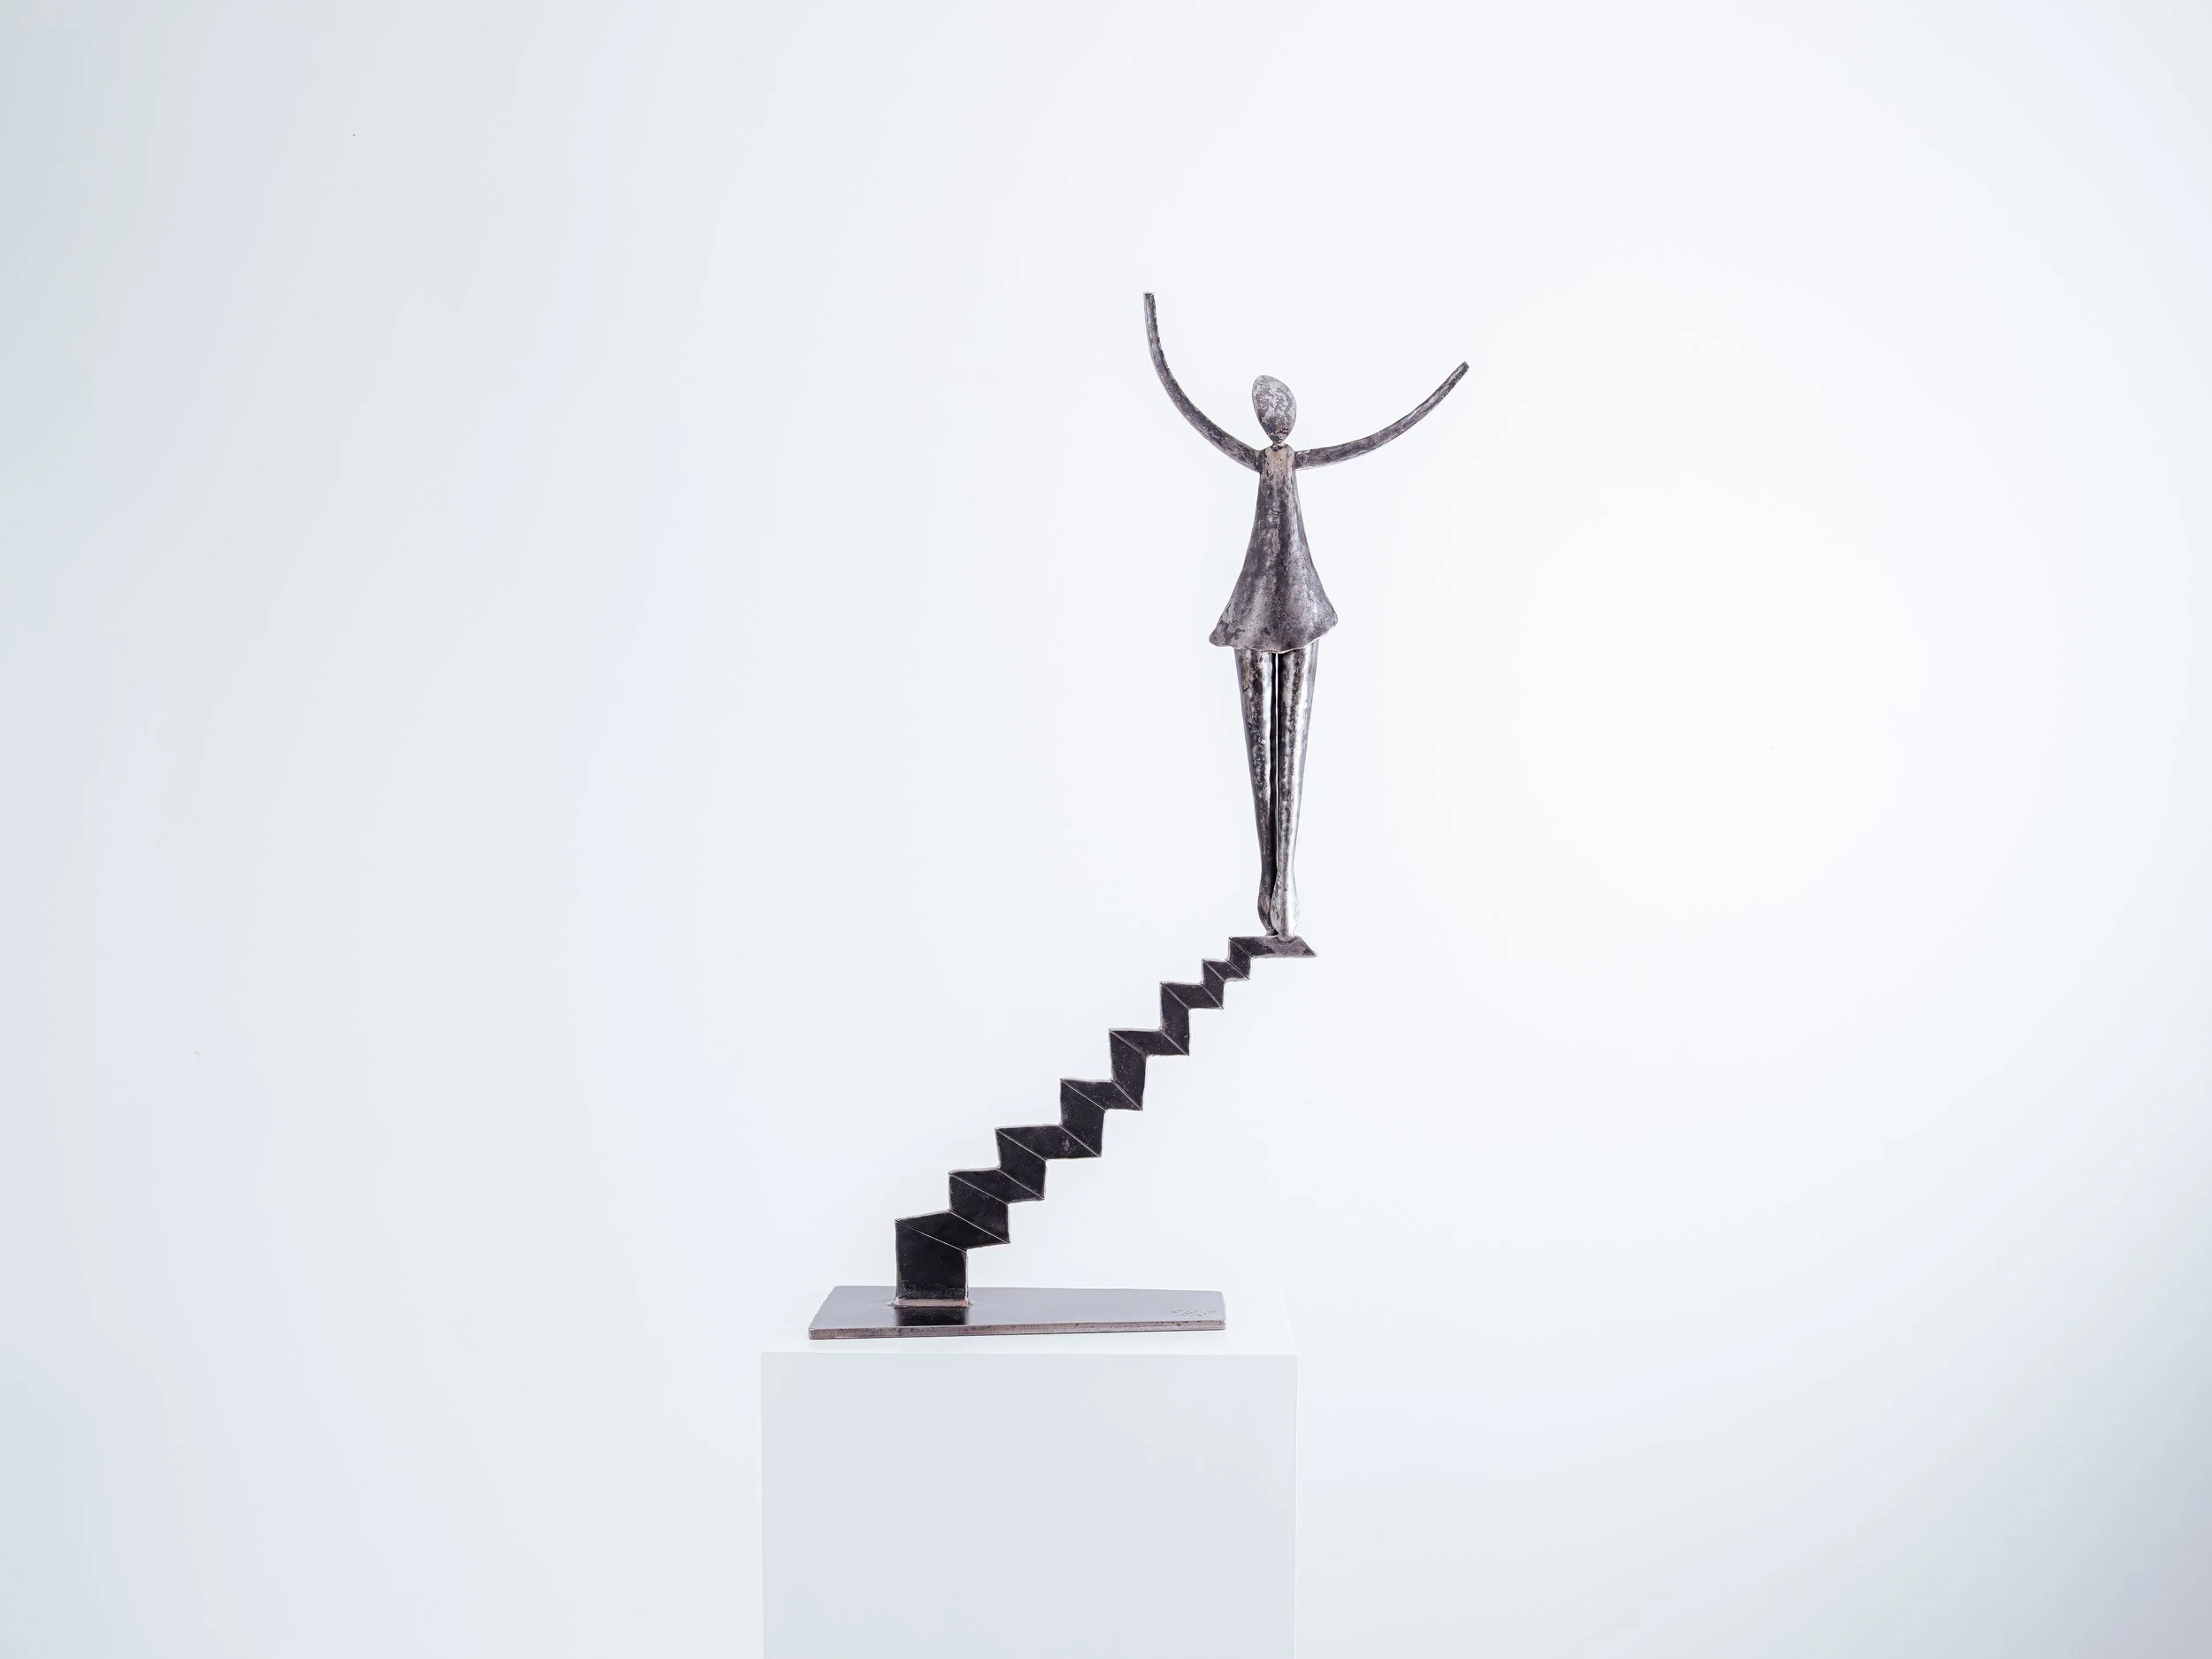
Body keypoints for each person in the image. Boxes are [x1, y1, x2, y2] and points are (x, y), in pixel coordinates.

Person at [1143, 293, 1467, 937]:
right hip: (1263, 604)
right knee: (1269, 750)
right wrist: (1156, 343)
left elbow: (1375, 437)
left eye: (1275, 411)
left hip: (1295, 603)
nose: (1274, 422)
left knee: (1286, 749)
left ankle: (1280, 889)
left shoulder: (1278, 459)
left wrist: (1442, 390)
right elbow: (1189, 408)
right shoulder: (1270, 459)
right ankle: (1272, 887)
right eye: (1270, 412)